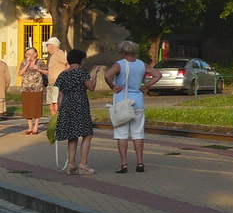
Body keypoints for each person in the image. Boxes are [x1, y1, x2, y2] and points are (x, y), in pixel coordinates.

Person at [104, 41, 160, 174]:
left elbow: (107, 75)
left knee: (122, 134)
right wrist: (145, 86)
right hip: (138, 102)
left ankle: (124, 163)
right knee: (138, 133)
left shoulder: (120, 64)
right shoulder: (142, 64)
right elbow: (158, 74)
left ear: (123, 52)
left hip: (122, 102)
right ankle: (140, 162)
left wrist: (113, 86)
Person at [54, 49, 95, 175]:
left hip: (66, 105)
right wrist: (95, 73)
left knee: (72, 135)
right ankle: (83, 164)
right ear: (80, 60)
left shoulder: (63, 74)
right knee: (87, 134)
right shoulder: (81, 72)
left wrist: (59, 108)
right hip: (80, 104)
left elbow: (60, 94)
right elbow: (91, 87)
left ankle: (71, 163)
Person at [18, 47, 45, 134]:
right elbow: (20, 73)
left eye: (31, 54)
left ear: (35, 54)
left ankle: (36, 127)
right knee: (27, 107)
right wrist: (27, 64)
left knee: (36, 107)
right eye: (27, 54)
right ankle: (30, 127)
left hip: (37, 87)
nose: (29, 56)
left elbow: (47, 72)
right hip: (26, 88)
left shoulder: (40, 62)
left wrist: (38, 69)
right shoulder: (24, 62)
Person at [44, 37, 67, 116]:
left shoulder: (59, 53)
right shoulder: (52, 55)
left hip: (57, 83)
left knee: (56, 104)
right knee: (50, 105)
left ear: (52, 46)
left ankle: (59, 123)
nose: (47, 48)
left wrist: (64, 77)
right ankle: (54, 123)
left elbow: (67, 64)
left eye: (47, 45)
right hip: (51, 83)